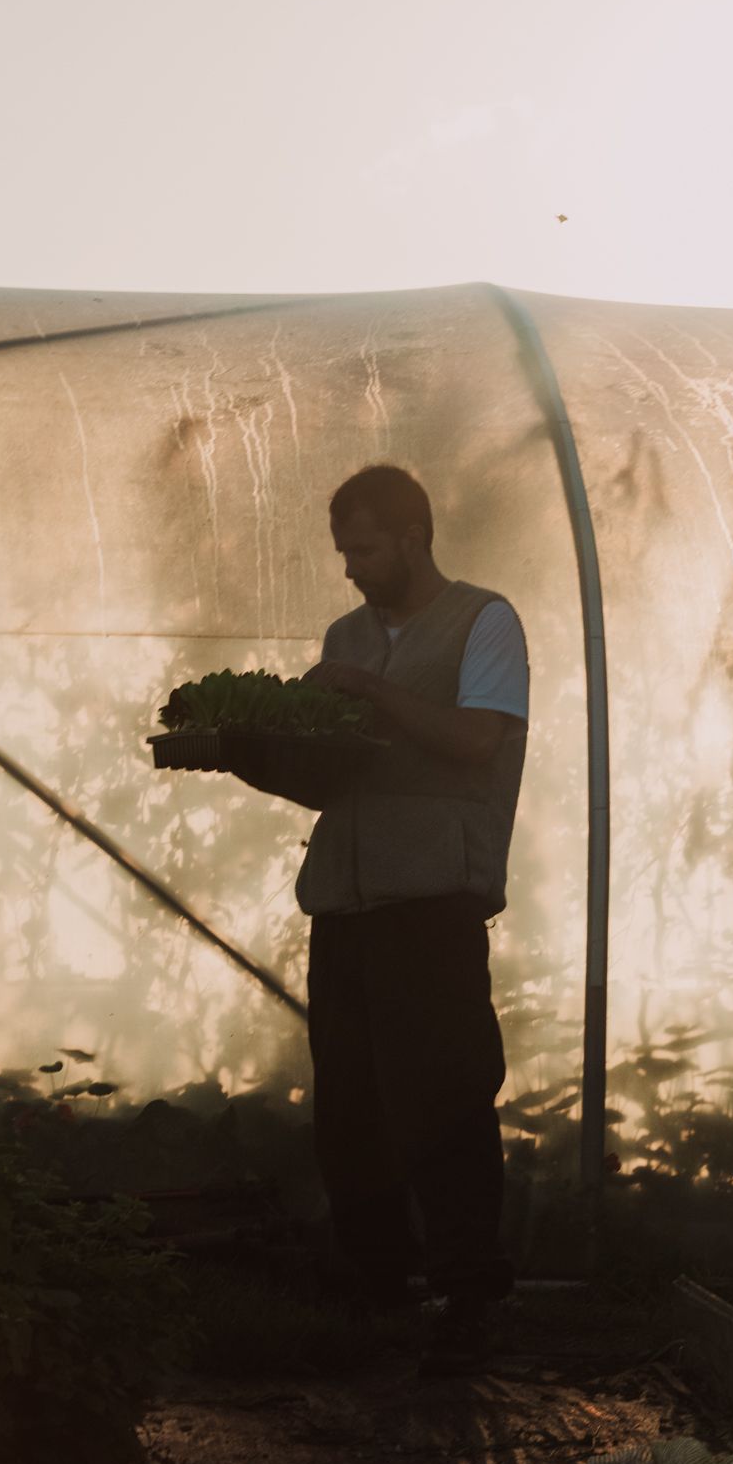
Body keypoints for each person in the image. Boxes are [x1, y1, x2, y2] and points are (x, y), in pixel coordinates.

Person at [246, 464, 530, 1371]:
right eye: (344, 552)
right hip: (347, 901)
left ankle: (466, 1291)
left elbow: (477, 739)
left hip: (434, 903)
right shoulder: (344, 634)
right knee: (353, 1104)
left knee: (444, 1096)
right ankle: (377, 1288)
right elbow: (329, 777)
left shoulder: (485, 621)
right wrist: (252, 751)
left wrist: (369, 693)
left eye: (364, 549)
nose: (350, 569)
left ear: (414, 537)